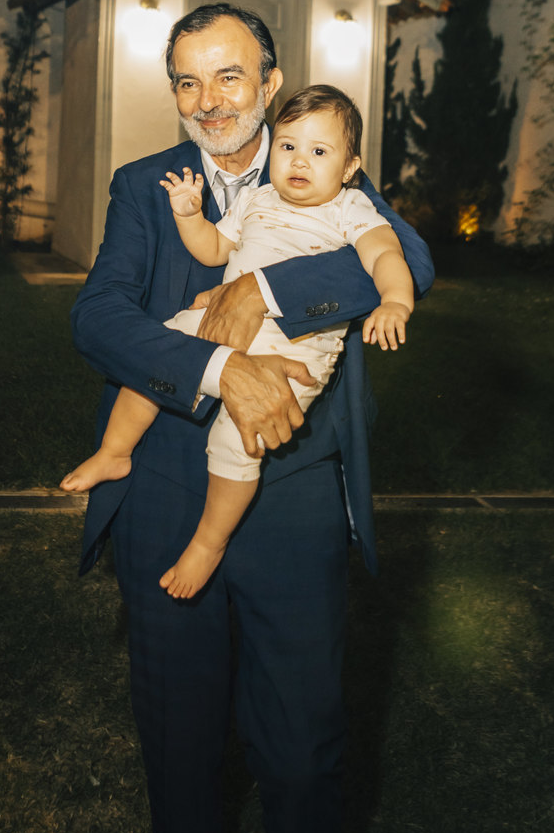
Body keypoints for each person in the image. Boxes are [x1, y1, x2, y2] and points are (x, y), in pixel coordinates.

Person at [70, 3, 434, 833]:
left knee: (303, 748)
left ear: (270, 83)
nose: (209, 100)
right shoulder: (147, 186)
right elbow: (99, 316)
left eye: (229, 76)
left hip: (296, 492)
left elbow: (410, 262)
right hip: (167, 491)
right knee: (178, 741)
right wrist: (219, 367)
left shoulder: (324, 159)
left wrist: (265, 288)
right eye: (188, 81)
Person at [62, 84, 414, 600]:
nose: (299, 160)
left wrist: (395, 302)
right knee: (159, 354)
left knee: (236, 444)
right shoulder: (256, 198)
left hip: (291, 353)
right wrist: (189, 215)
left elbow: (388, 256)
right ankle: (116, 451)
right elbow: (213, 250)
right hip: (213, 332)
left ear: (349, 168)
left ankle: (209, 541)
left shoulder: (351, 207)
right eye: (289, 146)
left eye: (319, 152)